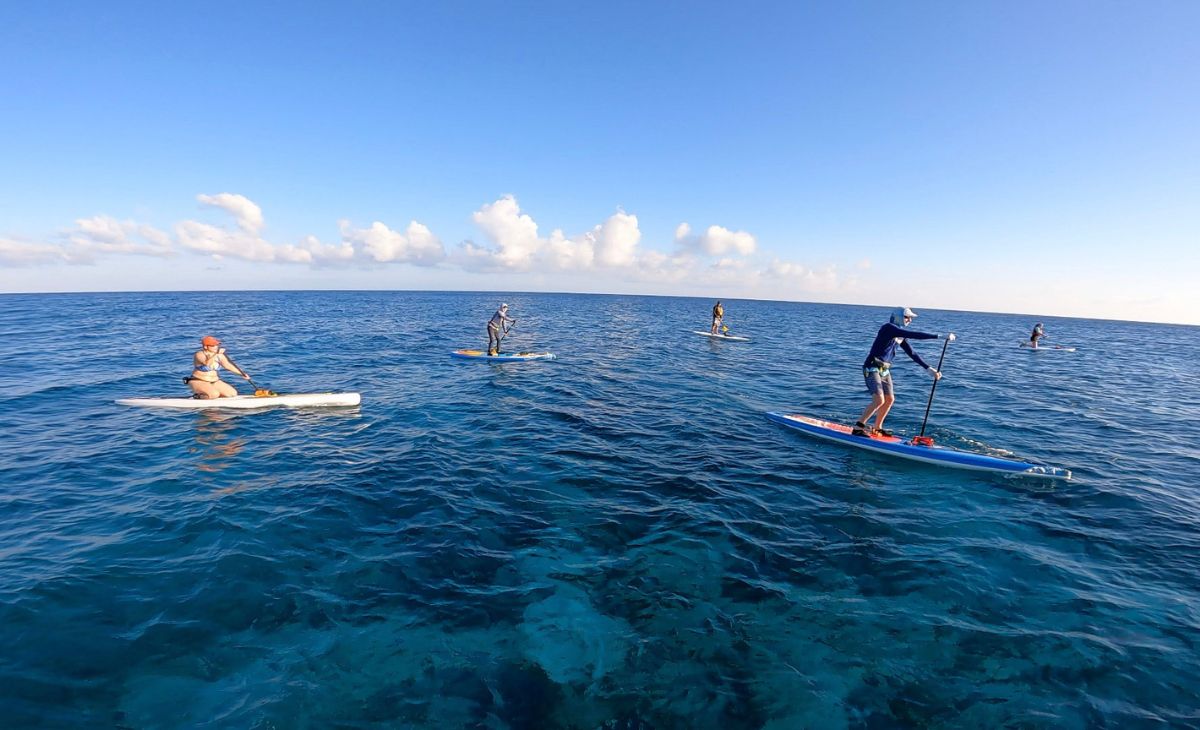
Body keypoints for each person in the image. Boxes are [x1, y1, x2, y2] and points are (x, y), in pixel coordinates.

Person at [853, 307, 955, 437]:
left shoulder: (899, 335)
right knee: (879, 400)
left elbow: (912, 353)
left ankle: (877, 427)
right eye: (907, 317)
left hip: (884, 370)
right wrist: (939, 336)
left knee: (889, 399)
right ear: (897, 316)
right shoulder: (888, 328)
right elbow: (913, 334)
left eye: (910, 318)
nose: (910, 320)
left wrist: (928, 369)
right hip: (872, 367)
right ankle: (858, 427)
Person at [186, 335, 251, 399]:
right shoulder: (199, 354)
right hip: (199, 381)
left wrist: (241, 374)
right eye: (213, 345)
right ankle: (198, 396)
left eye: (217, 345)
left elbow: (227, 365)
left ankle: (210, 394)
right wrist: (216, 354)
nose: (216, 347)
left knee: (232, 394)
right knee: (214, 394)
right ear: (205, 347)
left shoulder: (219, 355)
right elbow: (207, 364)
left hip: (214, 381)